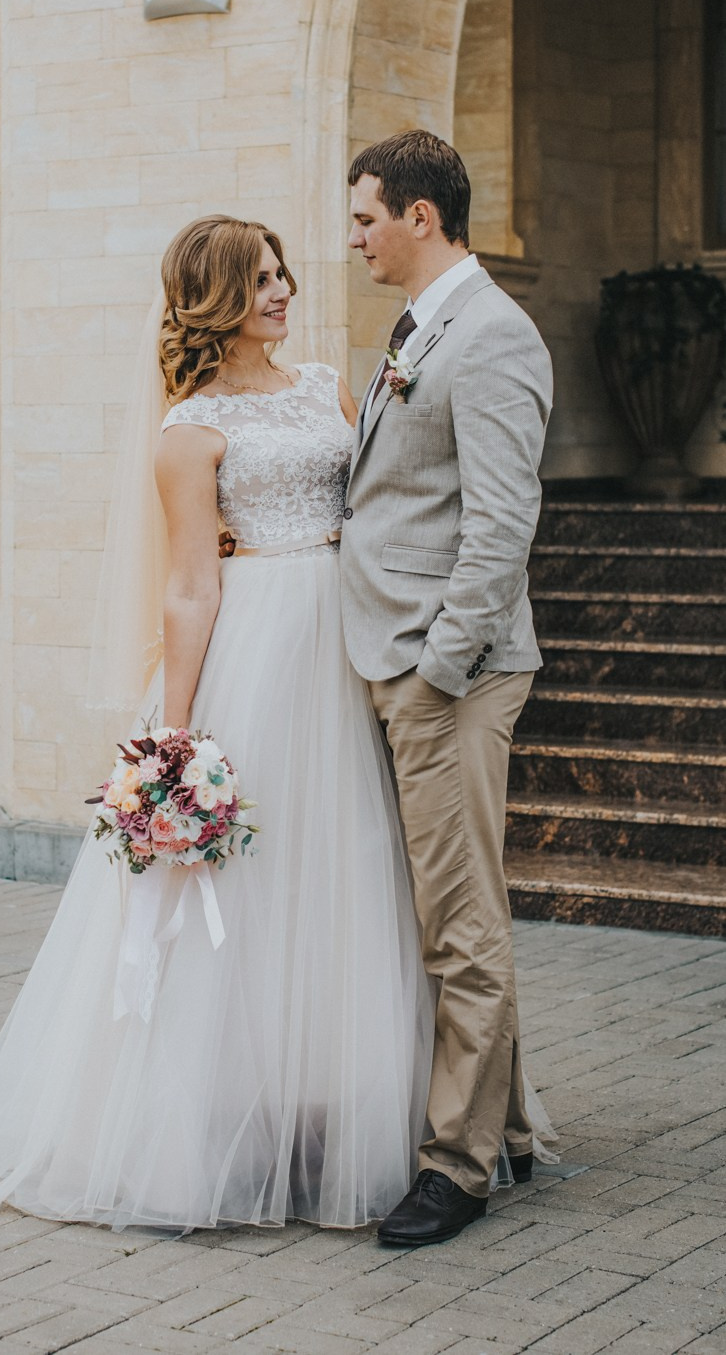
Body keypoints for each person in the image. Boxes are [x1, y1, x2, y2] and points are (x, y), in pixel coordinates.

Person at [0, 213, 435, 1231]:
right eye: (257, 281)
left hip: (341, 648)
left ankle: (334, 1107)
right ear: (214, 300)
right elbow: (191, 589)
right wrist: (174, 738)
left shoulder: (324, 388)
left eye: (281, 270)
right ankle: (203, 1123)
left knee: (335, 870)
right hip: (257, 654)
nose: (282, 289)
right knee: (242, 886)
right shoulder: (188, 427)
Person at [340, 128, 554, 1248]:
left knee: (458, 924)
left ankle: (457, 1165)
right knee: (460, 905)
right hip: (400, 654)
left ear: (422, 216)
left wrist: (435, 671)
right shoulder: (421, 326)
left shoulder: (495, 337)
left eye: (366, 216)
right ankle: (509, 1127)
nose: (355, 237)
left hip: (450, 672)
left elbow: (501, 524)